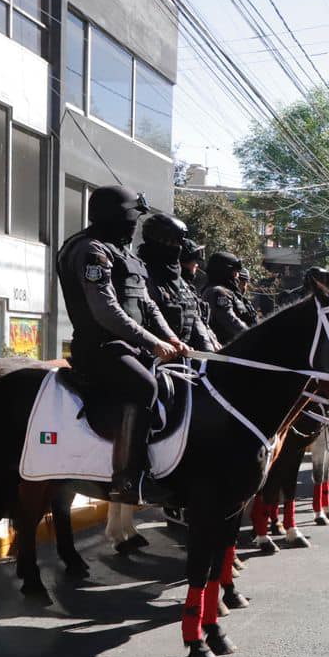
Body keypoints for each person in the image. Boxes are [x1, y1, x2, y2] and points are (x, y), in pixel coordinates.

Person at [55, 185, 188, 503]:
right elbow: (105, 310)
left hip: (131, 347)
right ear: (115, 216)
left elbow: (147, 304)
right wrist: (153, 342)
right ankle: (127, 480)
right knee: (144, 387)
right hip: (100, 348)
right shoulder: (91, 251)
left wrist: (170, 337)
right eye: (132, 218)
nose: (135, 225)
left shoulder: (123, 253)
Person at [138, 214, 220, 356]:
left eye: (179, 244)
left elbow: (194, 316)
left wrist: (209, 353)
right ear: (161, 243)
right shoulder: (142, 275)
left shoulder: (179, 280)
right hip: (154, 356)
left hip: (184, 357)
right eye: (173, 243)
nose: (177, 249)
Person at [203, 252, 257, 340]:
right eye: (235, 272)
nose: (237, 276)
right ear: (225, 272)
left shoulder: (231, 293)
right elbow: (230, 321)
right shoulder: (218, 292)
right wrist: (252, 337)